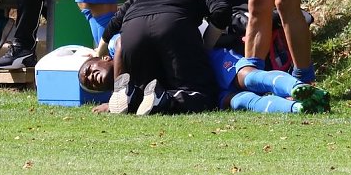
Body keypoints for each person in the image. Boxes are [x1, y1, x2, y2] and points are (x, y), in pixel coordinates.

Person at [81, 0, 231, 115]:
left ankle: (129, 94)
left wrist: (98, 52)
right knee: (200, 95)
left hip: (133, 34)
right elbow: (222, 10)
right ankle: (166, 99)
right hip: (173, 28)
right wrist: (207, 44)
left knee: (147, 87)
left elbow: (116, 21)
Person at [79, 45, 330, 114]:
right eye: (89, 84)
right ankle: (298, 107)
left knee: (251, 79)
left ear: (103, 58)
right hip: (195, 88)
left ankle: (298, 88)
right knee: (242, 102)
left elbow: (122, 42)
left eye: (88, 69)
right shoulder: (130, 94)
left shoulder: (116, 47)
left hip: (208, 61)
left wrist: (117, 98)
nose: (91, 77)